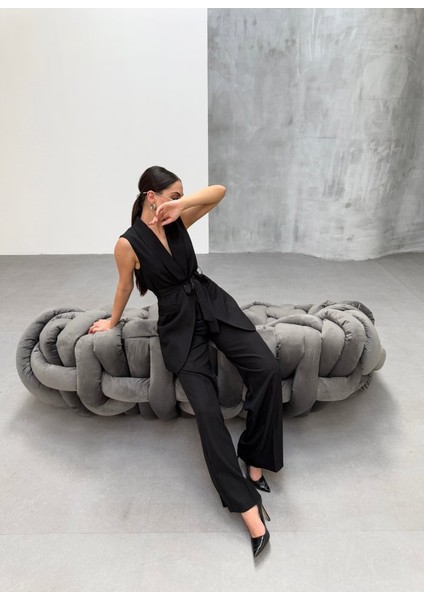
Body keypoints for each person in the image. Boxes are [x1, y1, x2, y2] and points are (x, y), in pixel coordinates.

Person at [89, 166, 283, 558]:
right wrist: (112, 320)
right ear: (151, 196)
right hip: (179, 325)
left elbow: (220, 190)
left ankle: (255, 456)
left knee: (266, 368)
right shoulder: (127, 244)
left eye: (181, 195)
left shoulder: (179, 217)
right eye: (173, 194)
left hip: (212, 303)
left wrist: (181, 205)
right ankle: (246, 506)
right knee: (208, 412)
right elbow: (125, 285)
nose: (180, 199)